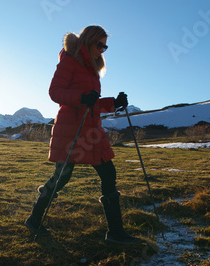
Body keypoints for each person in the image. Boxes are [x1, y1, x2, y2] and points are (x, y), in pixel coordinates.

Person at [24, 25, 141, 245]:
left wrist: (114, 103)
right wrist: (82, 97)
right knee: (61, 177)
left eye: (105, 46)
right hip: (71, 130)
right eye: (100, 45)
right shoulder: (70, 60)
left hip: (92, 130)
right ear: (88, 40)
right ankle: (34, 219)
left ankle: (116, 233)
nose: (103, 50)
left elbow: (92, 101)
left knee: (108, 173)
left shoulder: (92, 69)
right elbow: (55, 92)